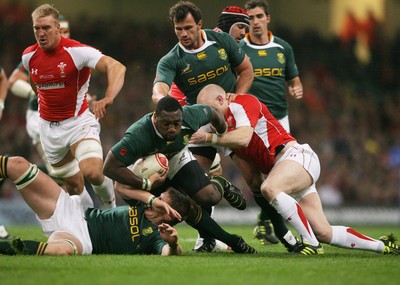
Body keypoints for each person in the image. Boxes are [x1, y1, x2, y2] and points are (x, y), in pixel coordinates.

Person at [191, 84, 400, 256]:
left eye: (210, 111)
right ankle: (382, 245)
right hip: (285, 171)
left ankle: (310, 245)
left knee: (270, 187)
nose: (209, 117)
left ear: (221, 100)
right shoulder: (219, 129)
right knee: (324, 232)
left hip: (296, 157)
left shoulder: (243, 103)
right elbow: (252, 177)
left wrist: (208, 138)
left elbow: (243, 137)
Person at [153, 0, 254, 251]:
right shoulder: (171, 59)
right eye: (178, 29)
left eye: (188, 27)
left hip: (234, 118)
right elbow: (160, 87)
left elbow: (246, 70)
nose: (184, 34)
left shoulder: (220, 41)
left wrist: (237, 98)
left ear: (199, 24)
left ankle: (288, 237)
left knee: (258, 182)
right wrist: (160, 98)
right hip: (203, 125)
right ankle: (208, 236)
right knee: (193, 189)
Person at [103, 96, 256, 254]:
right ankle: (231, 240)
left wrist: (222, 131)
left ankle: (221, 184)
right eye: (166, 124)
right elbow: (109, 167)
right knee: (172, 212)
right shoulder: (138, 134)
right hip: (148, 172)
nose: (172, 129)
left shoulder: (191, 115)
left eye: (177, 123)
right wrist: (145, 184)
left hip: (177, 157)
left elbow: (213, 112)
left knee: (209, 197)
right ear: (155, 117)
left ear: (182, 117)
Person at [21, 4, 126, 209]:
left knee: (93, 172)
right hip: (49, 131)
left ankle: (112, 212)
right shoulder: (28, 56)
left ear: (58, 27)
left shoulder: (77, 51)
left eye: (46, 28)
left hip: (78, 122)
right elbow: (35, 82)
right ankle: (89, 226)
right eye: (36, 29)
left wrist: (108, 97)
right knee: (74, 187)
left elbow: (116, 67)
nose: (41, 33)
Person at [0, 154, 188, 256]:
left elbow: (167, 252)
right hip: (75, 213)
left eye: (162, 200)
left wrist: (173, 244)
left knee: (62, 251)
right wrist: (149, 184)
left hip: (83, 241)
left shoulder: (155, 236)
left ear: (170, 215)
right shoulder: (142, 203)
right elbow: (120, 187)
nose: (157, 199)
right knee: (18, 165)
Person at [239, 0, 304, 245]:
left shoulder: (283, 48)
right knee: (259, 177)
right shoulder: (238, 48)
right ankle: (270, 223)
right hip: (252, 122)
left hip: (280, 120)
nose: (254, 22)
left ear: (268, 18)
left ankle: (268, 221)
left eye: (258, 17)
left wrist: (296, 88)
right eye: (250, 18)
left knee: (280, 176)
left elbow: (293, 79)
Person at [8, 15, 72, 178]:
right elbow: (13, 81)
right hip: (39, 117)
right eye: (60, 31)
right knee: (64, 172)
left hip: (65, 119)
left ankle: (10, 169)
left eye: (66, 31)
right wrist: (36, 92)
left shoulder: (75, 55)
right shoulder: (37, 53)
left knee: (64, 173)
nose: (63, 35)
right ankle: (9, 168)